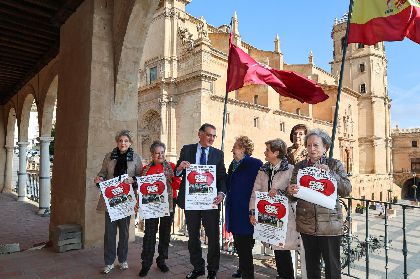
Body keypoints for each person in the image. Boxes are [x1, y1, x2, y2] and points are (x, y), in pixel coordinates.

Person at [287, 129, 352, 279]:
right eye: (309, 145)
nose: (312, 149)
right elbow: (292, 196)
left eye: (316, 145)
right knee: (311, 267)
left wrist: (331, 174)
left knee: (332, 268)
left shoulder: (334, 164)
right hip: (307, 226)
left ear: (325, 148)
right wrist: (290, 191)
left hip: (329, 227)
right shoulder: (300, 167)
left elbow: (347, 189)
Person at [176, 123, 227, 279]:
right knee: (193, 237)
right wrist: (180, 168)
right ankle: (198, 267)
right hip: (192, 202)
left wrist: (221, 192)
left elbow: (221, 177)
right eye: (209, 135)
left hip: (210, 202)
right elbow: (177, 173)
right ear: (200, 134)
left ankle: (212, 269)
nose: (211, 138)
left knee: (213, 237)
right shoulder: (187, 149)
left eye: (214, 136)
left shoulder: (218, 154)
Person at [249, 139, 301, 279]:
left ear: (276, 152)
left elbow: (295, 192)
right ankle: (282, 275)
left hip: (285, 217)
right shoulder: (263, 169)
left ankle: (287, 276)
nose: (265, 152)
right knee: (277, 250)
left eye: (267, 150)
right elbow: (256, 192)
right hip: (268, 215)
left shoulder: (290, 169)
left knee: (282, 250)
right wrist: (252, 212)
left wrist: (281, 192)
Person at [95, 130, 142, 274]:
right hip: (111, 200)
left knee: (124, 232)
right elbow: (102, 173)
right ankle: (109, 262)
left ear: (130, 143)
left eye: (126, 141)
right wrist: (99, 179)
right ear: (117, 142)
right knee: (109, 233)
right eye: (121, 141)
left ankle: (122, 260)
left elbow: (140, 177)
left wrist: (133, 180)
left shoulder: (135, 158)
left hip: (126, 200)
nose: (123, 143)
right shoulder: (109, 156)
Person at [138, 140, 181, 277]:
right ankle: (146, 263)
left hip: (168, 204)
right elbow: (142, 189)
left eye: (162, 153)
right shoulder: (145, 170)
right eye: (157, 153)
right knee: (149, 234)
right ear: (152, 154)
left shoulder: (172, 167)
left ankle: (161, 260)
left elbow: (177, 186)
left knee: (165, 233)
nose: (160, 155)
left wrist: (172, 178)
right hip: (151, 206)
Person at [225, 136, 263, 279]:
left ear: (242, 148)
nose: (232, 150)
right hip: (234, 211)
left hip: (246, 212)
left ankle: (248, 275)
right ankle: (242, 269)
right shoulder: (233, 164)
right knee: (240, 245)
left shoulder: (255, 164)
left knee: (245, 247)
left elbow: (261, 185)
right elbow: (229, 183)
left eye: (235, 147)